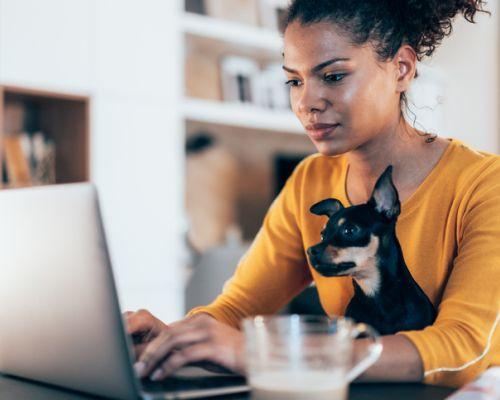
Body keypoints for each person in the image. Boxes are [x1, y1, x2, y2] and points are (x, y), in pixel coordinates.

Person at [126, 0, 499, 388]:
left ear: (401, 69)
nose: (306, 103)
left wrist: (266, 354)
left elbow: (464, 350)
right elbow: (237, 309)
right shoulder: (310, 180)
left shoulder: (485, 184)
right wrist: (171, 341)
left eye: (334, 76)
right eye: (295, 81)